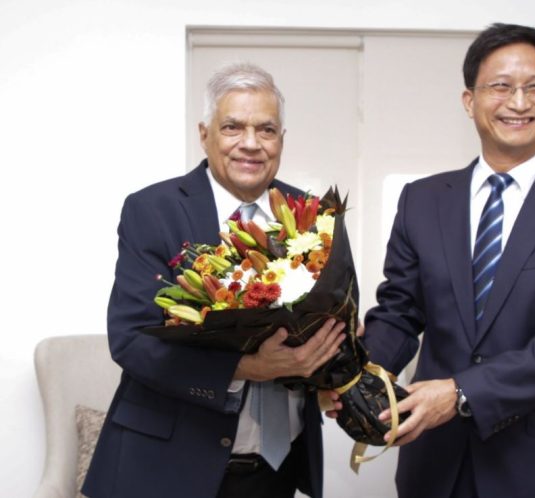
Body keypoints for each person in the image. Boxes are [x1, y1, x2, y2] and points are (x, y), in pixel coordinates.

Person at [359, 23, 535, 497]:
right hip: (435, 464)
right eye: (501, 86)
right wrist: (356, 378)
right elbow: (400, 311)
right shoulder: (422, 199)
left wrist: (461, 392)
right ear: (470, 101)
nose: (519, 103)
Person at [83, 63, 346, 498]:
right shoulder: (153, 210)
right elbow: (132, 340)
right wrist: (249, 368)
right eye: (232, 127)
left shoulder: (315, 215)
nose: (251, 143)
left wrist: (332, 364)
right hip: (166, 469)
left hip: (276, 471)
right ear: (204, 134)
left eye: (266, 130)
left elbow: (330, 317)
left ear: (282, 139)